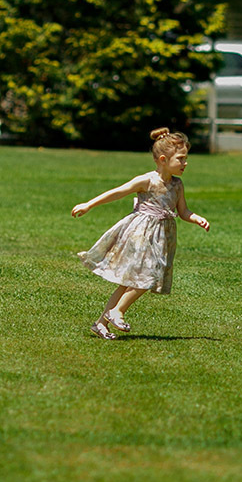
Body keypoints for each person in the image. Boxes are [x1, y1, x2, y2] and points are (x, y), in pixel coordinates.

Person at [71, 127, 211, 339]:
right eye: (181, 159)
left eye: (185, 158)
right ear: (163, 159)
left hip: (162, 236)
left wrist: (196, 218)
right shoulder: (147, 181)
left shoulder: (177, 185)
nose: (185, 163)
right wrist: (89, 204)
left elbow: (182, 211)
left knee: (130, 281)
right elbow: (117, 192)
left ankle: (100, 324)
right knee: (148, 276)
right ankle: (117, 311)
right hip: (141, 233)